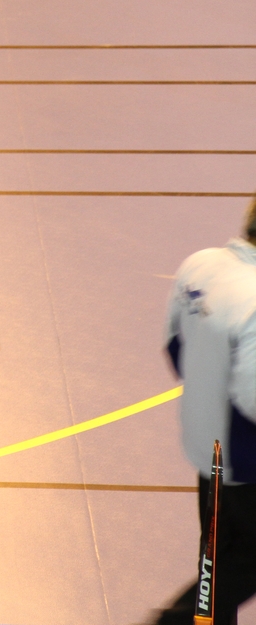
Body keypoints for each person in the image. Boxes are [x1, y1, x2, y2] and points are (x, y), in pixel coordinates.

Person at [149, 200, 256, 624]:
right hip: (247, 464)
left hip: (206, 449)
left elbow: (176, 346)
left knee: (217, 561)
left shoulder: (202, 265)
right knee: (230, 570)